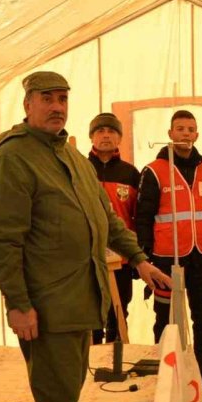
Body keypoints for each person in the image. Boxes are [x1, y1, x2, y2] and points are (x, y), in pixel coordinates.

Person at [0, 71, 171, 402]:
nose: (57, 107)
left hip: (83, 296)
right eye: (47, 98)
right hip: (47, 304)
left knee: (65, 389)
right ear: (27, 104)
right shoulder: (13, 157)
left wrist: (140, 261)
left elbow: (107, 220)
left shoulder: (70, 155)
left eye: (63, 99)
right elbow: (1, 241)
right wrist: (18, 303)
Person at [136, 110, 202, 397]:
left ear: (197, 135)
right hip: (165, 257)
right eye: (180, 128)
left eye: (190, 129)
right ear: (170, 133)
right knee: (165, 319)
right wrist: (144, 257)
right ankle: (165, 378)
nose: (185, 133)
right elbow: (143, 217)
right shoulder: (153, 170)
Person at [87, 112, 140, 344]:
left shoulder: (130, 173)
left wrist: (137, 254)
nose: (106, 135)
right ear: (92, 137)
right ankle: (92, 360)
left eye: (111, 131)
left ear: (119, 138)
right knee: (91, 314)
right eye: (100, 131)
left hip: (121, 258)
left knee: (118, 313)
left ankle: (117, 359)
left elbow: (138, 215)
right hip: (88, 256)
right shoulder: (82, 169)